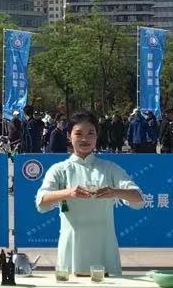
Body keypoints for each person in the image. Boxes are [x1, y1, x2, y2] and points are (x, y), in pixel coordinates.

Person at [35, 111, 145, 277]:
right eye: (78, 134)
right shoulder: (60, 170)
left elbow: (139, 199)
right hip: (72, 248)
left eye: (90, 133)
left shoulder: (109, 168)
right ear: (69, 136)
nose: (85, 139)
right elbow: (41, 202)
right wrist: (68, 193)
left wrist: (114, 192)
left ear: (97, 136)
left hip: (104, 247)